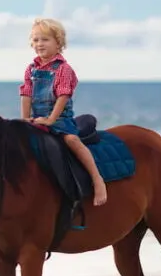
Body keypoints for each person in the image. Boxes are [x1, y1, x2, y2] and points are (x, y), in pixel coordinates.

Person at [19, 17, 108, 206]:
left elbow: (63, 96)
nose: (39, 44)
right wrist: (25, 119)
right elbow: (26, 94)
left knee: (72, 140)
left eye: (45, 39)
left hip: (60, 120)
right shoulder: (31, 69)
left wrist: (51, 120)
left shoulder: (63, 69)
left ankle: (97, 180)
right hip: (38, 119)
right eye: (36, 40)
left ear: (58, 43)